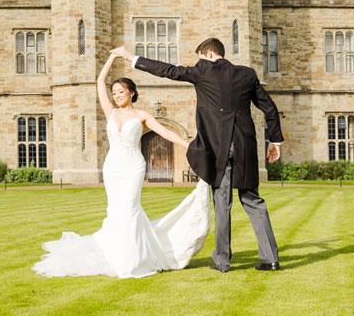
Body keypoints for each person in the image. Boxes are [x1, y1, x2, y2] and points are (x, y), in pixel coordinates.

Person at [33, 49, 211, 278]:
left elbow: (166, 133)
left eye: (120, 91)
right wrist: (113, 57)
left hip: (133, 167)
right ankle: (117, 254)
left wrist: (189, 146)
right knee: (116, 211)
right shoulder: (110, 113)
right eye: (114, 92)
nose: (116, 95)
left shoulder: (142, 116)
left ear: (131, 93)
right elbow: (99, 81)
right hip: (112, 167)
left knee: (130, 208)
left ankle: (133, 259)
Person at [118, 37, 284, 272]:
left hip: (219, 148)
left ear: (207, 55)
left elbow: (168, 71)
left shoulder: (202, 71)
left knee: (222, 203)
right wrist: (275, 141)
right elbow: (269, 107)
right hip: (245, 148)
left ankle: (222, 260)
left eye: (199, 58)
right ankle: (271, 258)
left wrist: (131, 58)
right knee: (253, 200)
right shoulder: (247, 74)